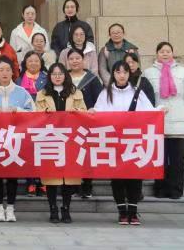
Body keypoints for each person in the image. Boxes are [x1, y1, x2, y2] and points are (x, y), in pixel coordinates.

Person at [94, 61, 156, 225]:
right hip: (114, 141)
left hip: (133, 141)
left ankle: (133, 212)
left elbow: (150, 112)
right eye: (118, 72)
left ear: (129, 74)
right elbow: (98, 113)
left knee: (135, 176)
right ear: (113, 74)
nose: (121, 75)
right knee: (117, 177)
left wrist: (161, 110)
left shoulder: (137, 92)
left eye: (125, 72)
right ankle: (122, 212)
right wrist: (93, 112)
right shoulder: (105, 93)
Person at [0, 57, 35, 222]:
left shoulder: (22, 92)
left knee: (12, 175)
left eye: (8, 70)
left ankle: (10, 207)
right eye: (1, 70)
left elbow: (33, 112)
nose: (4, 73)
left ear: (13, 72)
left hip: (15, 139)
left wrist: (18, 110)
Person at [143, 42, 184, 200]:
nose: (165, 54)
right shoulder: (148, 73)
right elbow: (145, 97)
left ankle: (176, 189)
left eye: (168, 51)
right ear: (157, 54)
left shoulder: (183, 71)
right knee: (159, 159)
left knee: (176, 159)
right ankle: (160, 189)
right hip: (158, 120)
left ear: (172, 53)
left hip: (179, 119)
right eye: (162, 51)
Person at [35, 63, 86, 223]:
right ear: (49, 76)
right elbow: (35, 115)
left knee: (68, 177)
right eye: (54, 74)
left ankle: (66, 208)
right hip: (50, 138)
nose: (57, 77)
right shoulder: (42, 94)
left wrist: (77, 112)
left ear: (65, 75)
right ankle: (53, 208)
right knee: (51, 177)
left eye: (60, 73)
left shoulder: (75, 92)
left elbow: (84, 112)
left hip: (70, 139)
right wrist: (45, 113)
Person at [65, 47, 103, 199]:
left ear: (83, 60)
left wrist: (93, 111)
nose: (74, 61)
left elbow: (100, 99)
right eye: (71, 59)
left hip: (86, 123)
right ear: (68, 61)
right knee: (71, 155)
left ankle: (87, 186)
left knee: (86, 155)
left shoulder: (92, 78)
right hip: (67, 123)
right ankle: (72, 186)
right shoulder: (63, 77)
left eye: (77, 58)